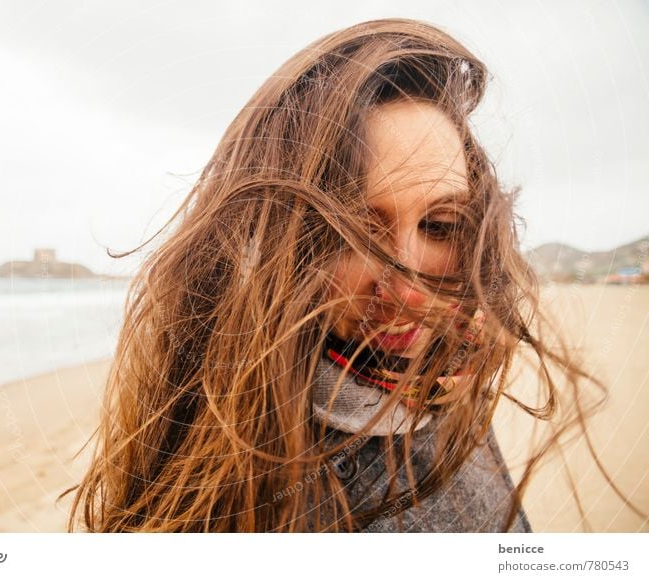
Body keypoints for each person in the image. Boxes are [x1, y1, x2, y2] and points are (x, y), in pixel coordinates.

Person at [63, 18, 621, 532]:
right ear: (274, 243)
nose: (407, 291)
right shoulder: (267, 490)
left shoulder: (444, 386)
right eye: (350, 232)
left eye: (441, 225)